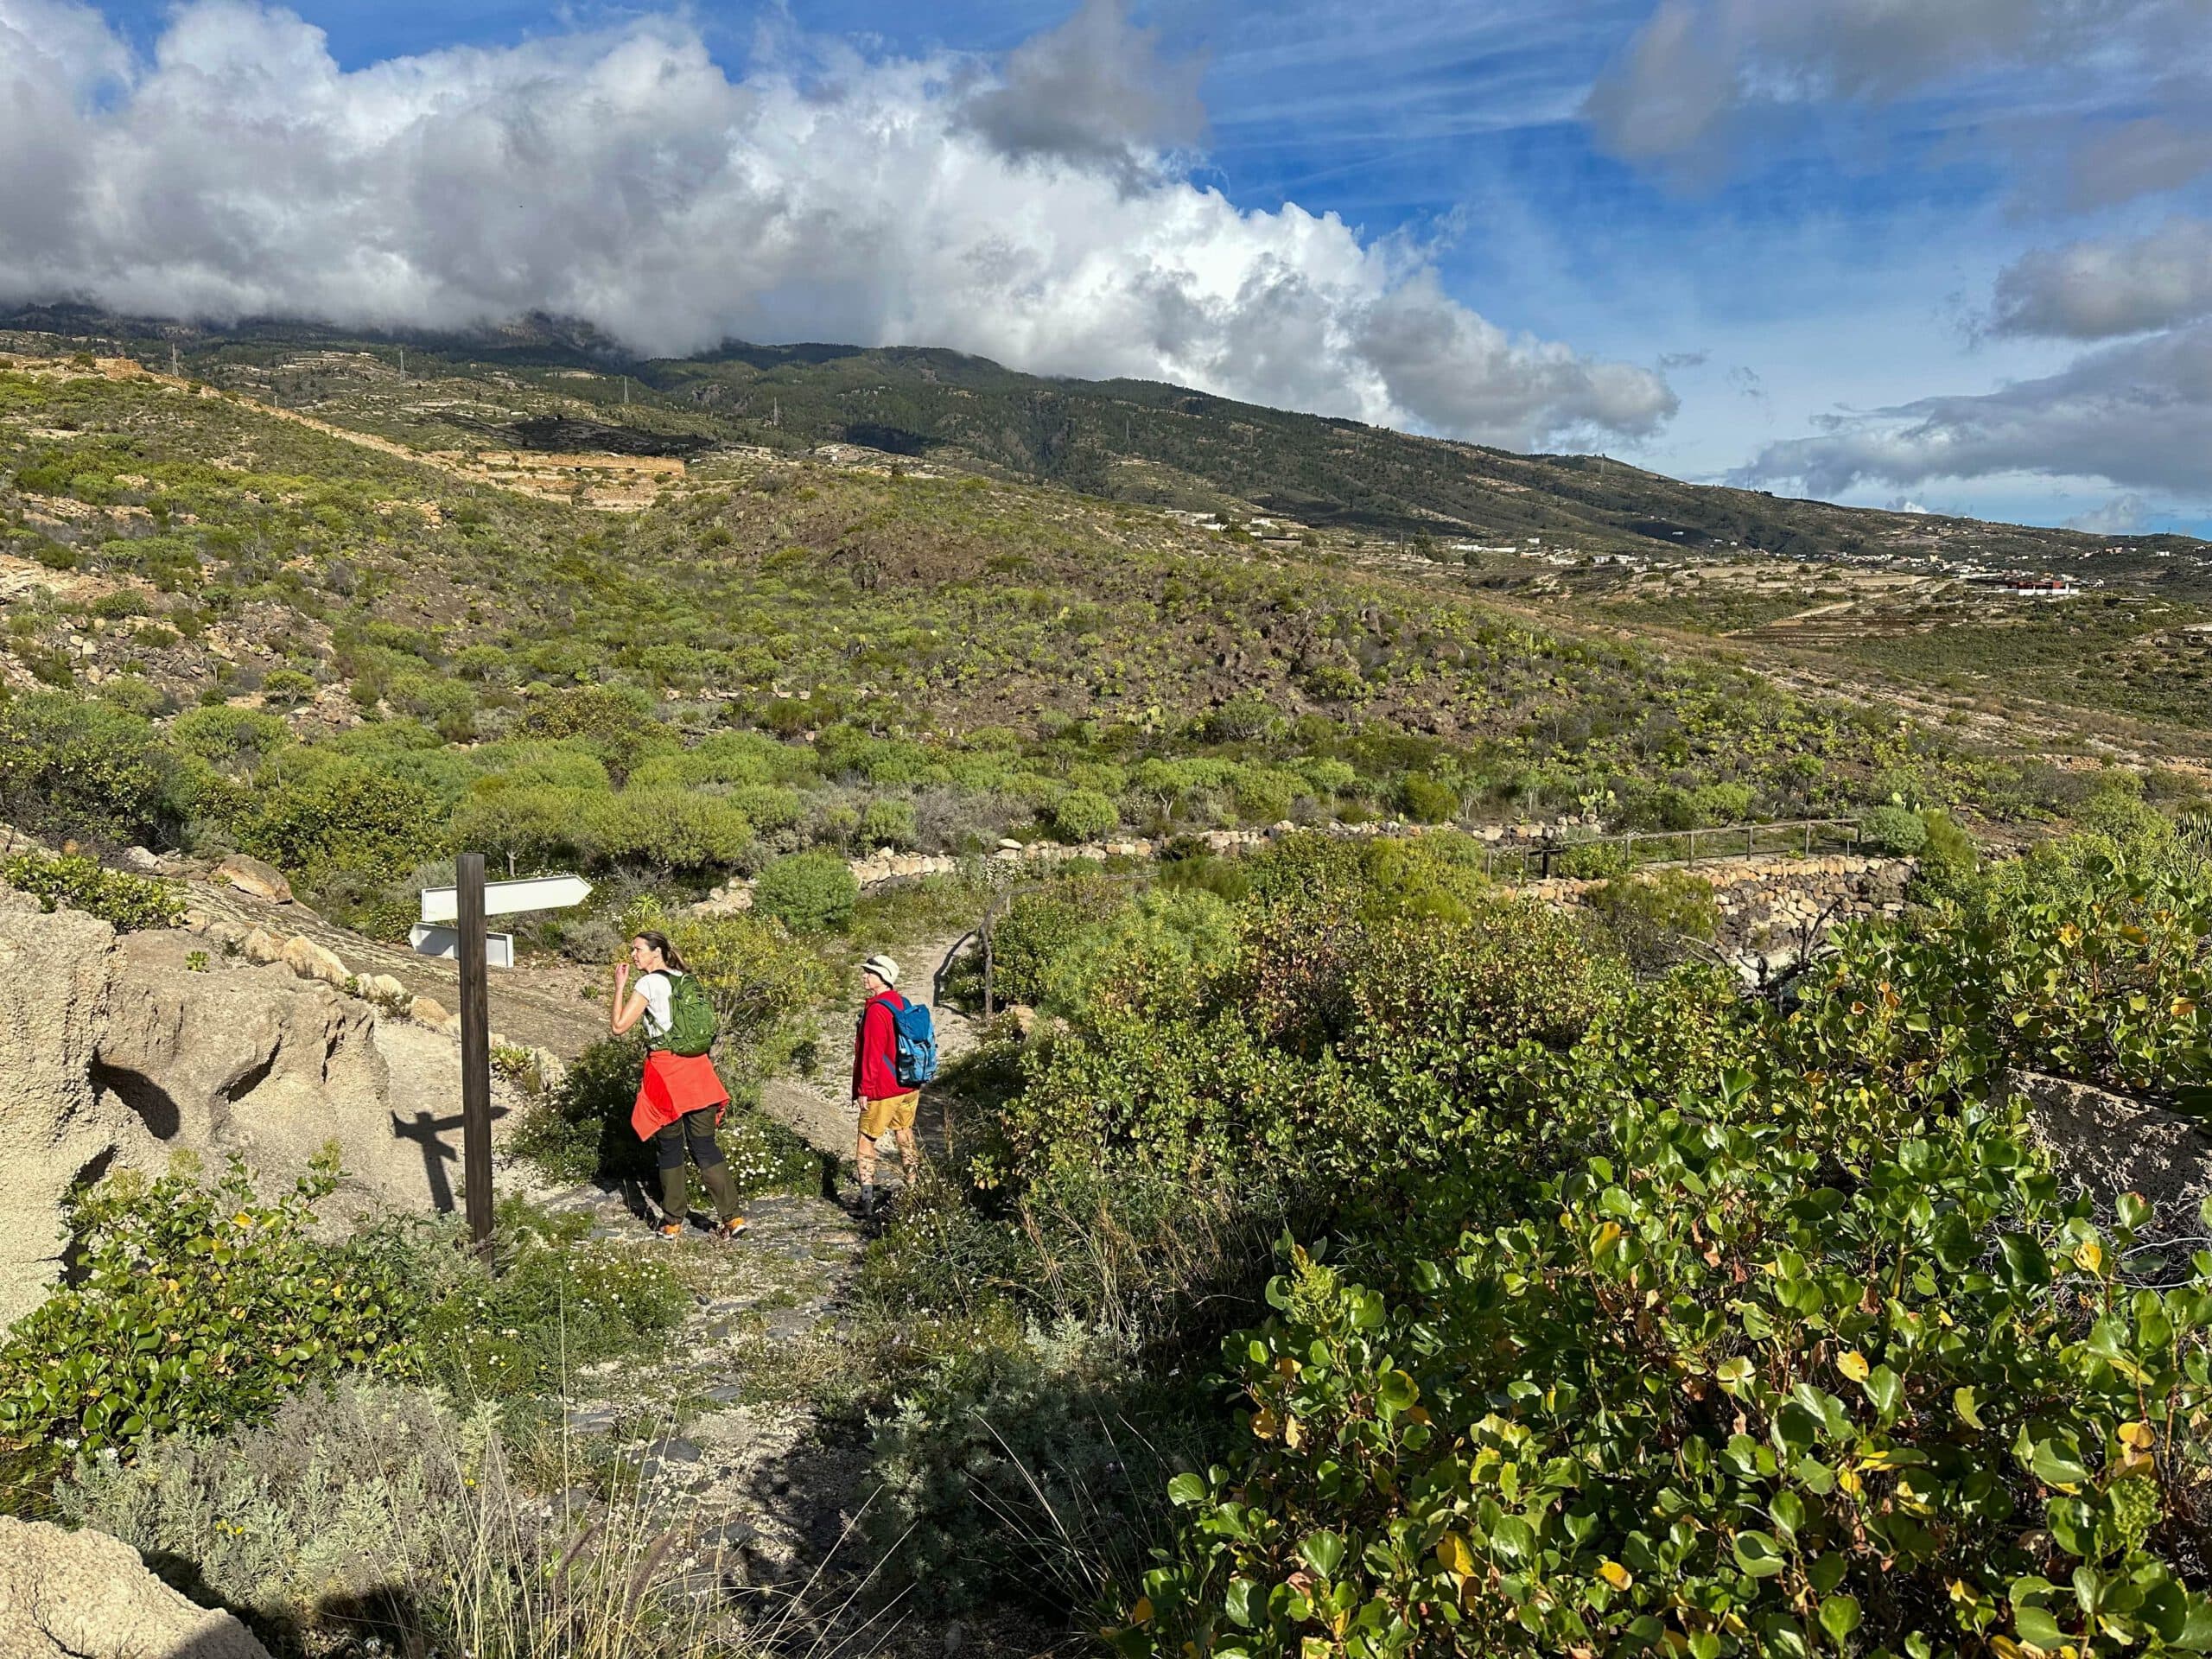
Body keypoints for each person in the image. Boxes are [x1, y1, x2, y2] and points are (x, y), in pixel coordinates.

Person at [611, 930, 747, 1241]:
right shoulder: (685, 979)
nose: (633, 955)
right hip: (699, 1071)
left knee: (670, 1148)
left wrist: (619, 987)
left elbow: (619, 1027)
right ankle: (733, 1217)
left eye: (638, 950)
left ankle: (672, 1222)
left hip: (666, 1074)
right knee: (705, 1146)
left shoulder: (647, 983)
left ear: (655, 952)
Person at [851, 952, 920, 1217]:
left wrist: (863, 1090)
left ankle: (866, 1202)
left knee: (866, 1141)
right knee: (904, 1134)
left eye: (870, 972)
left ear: (883, 978)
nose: (865, 976)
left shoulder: (877, 1009)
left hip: (884, 1089)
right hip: (909, 1085)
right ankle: (914, 1188)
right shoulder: (901, 1003)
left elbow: (871, 1053)